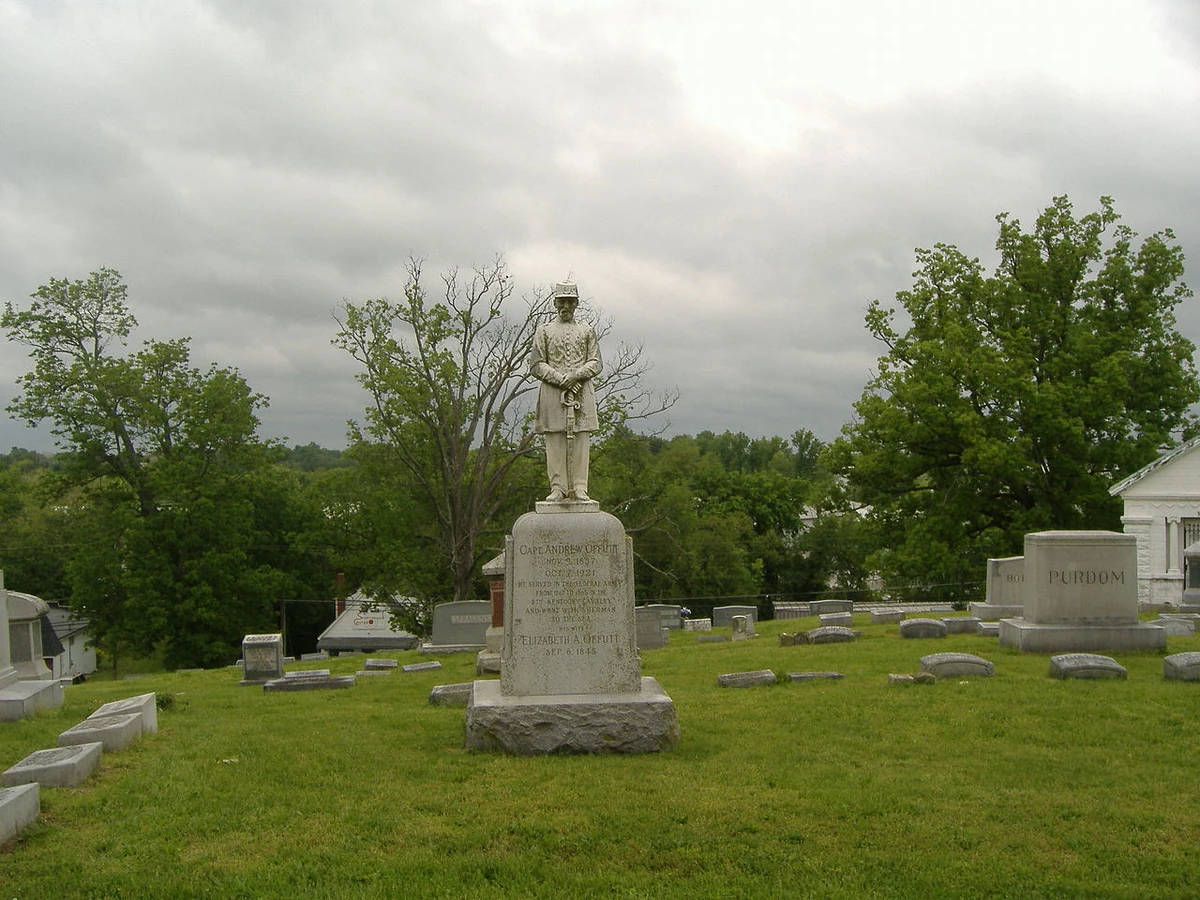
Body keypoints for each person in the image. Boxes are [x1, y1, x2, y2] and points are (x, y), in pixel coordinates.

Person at [530, 281, 602, 502]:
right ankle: (558, 487)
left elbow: (596, 362)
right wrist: (560, 379)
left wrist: (576, 376)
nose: (566, 305)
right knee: (554, 439)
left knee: (581, 438)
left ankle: (580, 486)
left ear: (576, 304)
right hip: (553, 391)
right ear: (555, 302)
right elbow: (536, 364)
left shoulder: (587, 331)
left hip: (581, 390)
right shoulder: (544, 331)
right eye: (562, 301)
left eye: (570, 301)